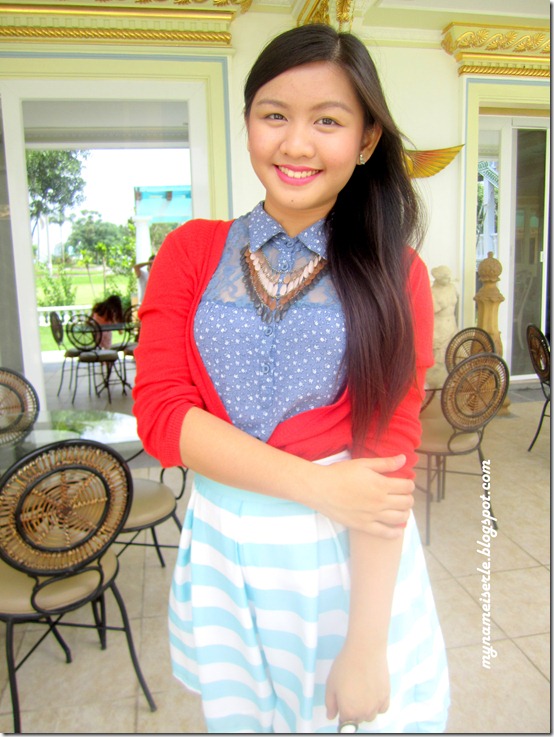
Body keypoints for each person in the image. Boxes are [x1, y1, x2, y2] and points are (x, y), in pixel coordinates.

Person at [133, 24, 449, 734]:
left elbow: (387, 459)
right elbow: (161, 415)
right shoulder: (190, 250)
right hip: (225, 544)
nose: (296, 144)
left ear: (366, 140)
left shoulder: (397, 274)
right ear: (248, 121)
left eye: (328, 121)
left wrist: (365, 645)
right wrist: (318, 485)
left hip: (339, 558)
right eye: (274, 114)